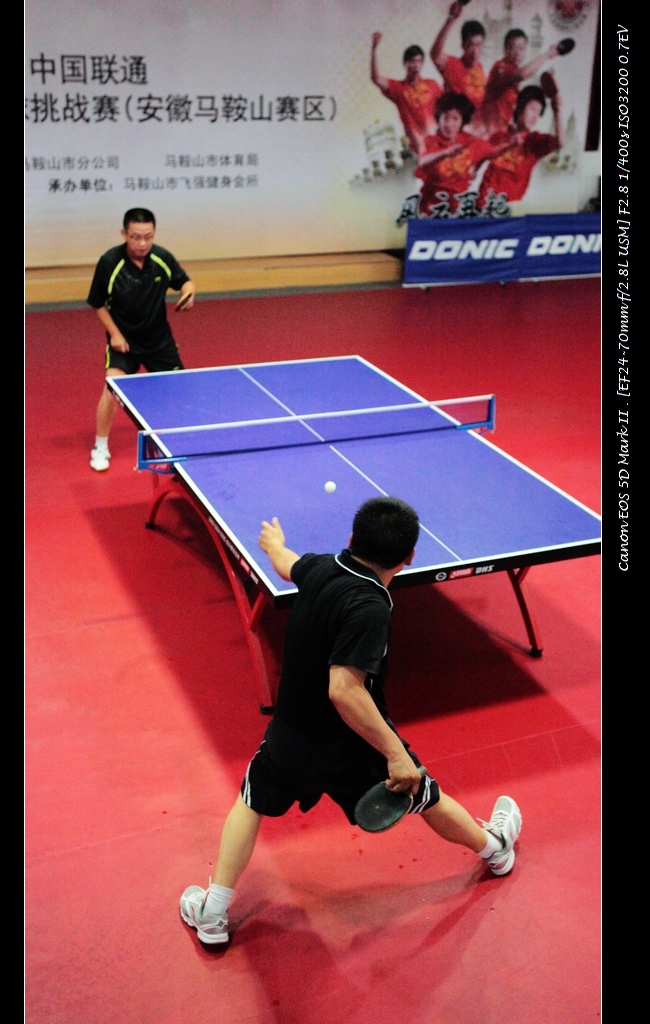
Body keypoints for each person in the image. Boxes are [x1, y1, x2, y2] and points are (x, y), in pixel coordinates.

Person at [180, 497, 522, 946]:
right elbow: (344, 690)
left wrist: (274, 544)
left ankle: (212, 914)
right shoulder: (370, 608)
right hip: (351, 746)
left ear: (351, 538)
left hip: (291, 735)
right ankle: (496, 851)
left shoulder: (321, 567)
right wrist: (396, 754)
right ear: (408, 558)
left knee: (251, 801)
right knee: (425, 796)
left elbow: (287, 565)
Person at [87, 208, 196, 471]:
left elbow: (185, 282)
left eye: (148, 237)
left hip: (159, 340)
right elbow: (97, 303)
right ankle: (100, 446)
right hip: (124, 341)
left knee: (178, 389)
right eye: (136, 237)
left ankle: (171, 443)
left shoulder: (161, 258)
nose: (143, 243)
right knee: (112, 388)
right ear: (125, 234)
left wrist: (189, 293)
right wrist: (115, 334)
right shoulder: (110, 262)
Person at [415, 92, 516, 217]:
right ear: (438, 118)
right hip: (431, 209)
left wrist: (509, 145)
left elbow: (491, 152)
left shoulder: (469, 142)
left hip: (457, 209)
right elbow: (423, 161)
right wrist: (445, 153)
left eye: (455, 119)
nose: (449, 124)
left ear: (462, 122)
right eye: (446, 118)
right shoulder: (430, 141)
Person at [479, 83, 564, 208]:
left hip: (509, 210)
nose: (535, 117)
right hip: (483, 205)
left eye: (538, 112)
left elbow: (559, 142)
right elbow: (482, 155)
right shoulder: (499, 134)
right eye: (532, 109)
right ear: (520, 107)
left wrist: (557, 112)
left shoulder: (534, 141)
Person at [370, 32, 442, 155]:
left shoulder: (432, 85)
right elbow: (376, 78)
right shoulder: (398, 89)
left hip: (437, 145)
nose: (416, 65)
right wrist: (374, 49)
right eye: (412, 61)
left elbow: (446, 109)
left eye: (419, 61)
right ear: (405, 64)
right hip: (417, 150)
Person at [482, 28, 561, 135]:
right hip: (486, 127)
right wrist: (547, 54)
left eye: (521, 48)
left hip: (499, 129)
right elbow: (522, 74)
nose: (517, 53)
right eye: (512, 48)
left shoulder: (514, 72)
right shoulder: (501, 67)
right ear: (505, 50)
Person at [430, 2, 487, 131]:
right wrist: (451, 20)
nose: (475, 51)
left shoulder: (480, 68)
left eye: (479, 45)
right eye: (471, 45)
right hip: (453, 130)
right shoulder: (453, 65)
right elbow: (435, 55)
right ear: (463, 46)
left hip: (475, 131)